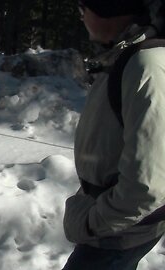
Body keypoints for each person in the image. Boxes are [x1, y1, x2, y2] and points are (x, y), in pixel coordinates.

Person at [62, 0, 165, 269]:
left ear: (112, 11)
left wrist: (91, 222)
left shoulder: (145, 65)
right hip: (116, 221)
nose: (81, 16)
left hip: (118, 232)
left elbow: (146, 187)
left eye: (85, 8)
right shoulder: (128, 57)